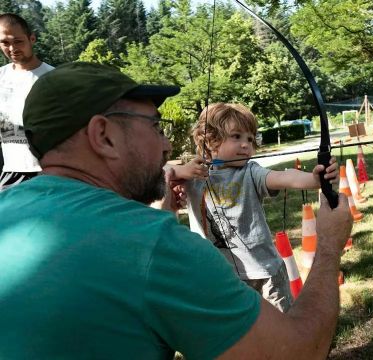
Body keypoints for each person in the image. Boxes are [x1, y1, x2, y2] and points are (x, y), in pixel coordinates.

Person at [0, 62, 353, 359]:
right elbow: (297, 352)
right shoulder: (156, 245)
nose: (167, 144)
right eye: (155, 126)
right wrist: (329, 245)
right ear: (103, 136)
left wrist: (166, 203)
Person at [174, 102, 339, 312]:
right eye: (236, 136)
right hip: (220, 277)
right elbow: (155, 173)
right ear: (210, 140)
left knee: (279, 329)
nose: (246, 145)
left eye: (250, 139)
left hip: (264, 272)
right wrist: (180, 172)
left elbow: (283, 177)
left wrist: (314, 180)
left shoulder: (251, 172)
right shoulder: (191, 177)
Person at [0, 13, 54, 190]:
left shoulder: (54, 77)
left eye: (18, 41)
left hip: (49, 171)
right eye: (5, 43)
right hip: (11, 172)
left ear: (32, 39)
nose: (12, 48)